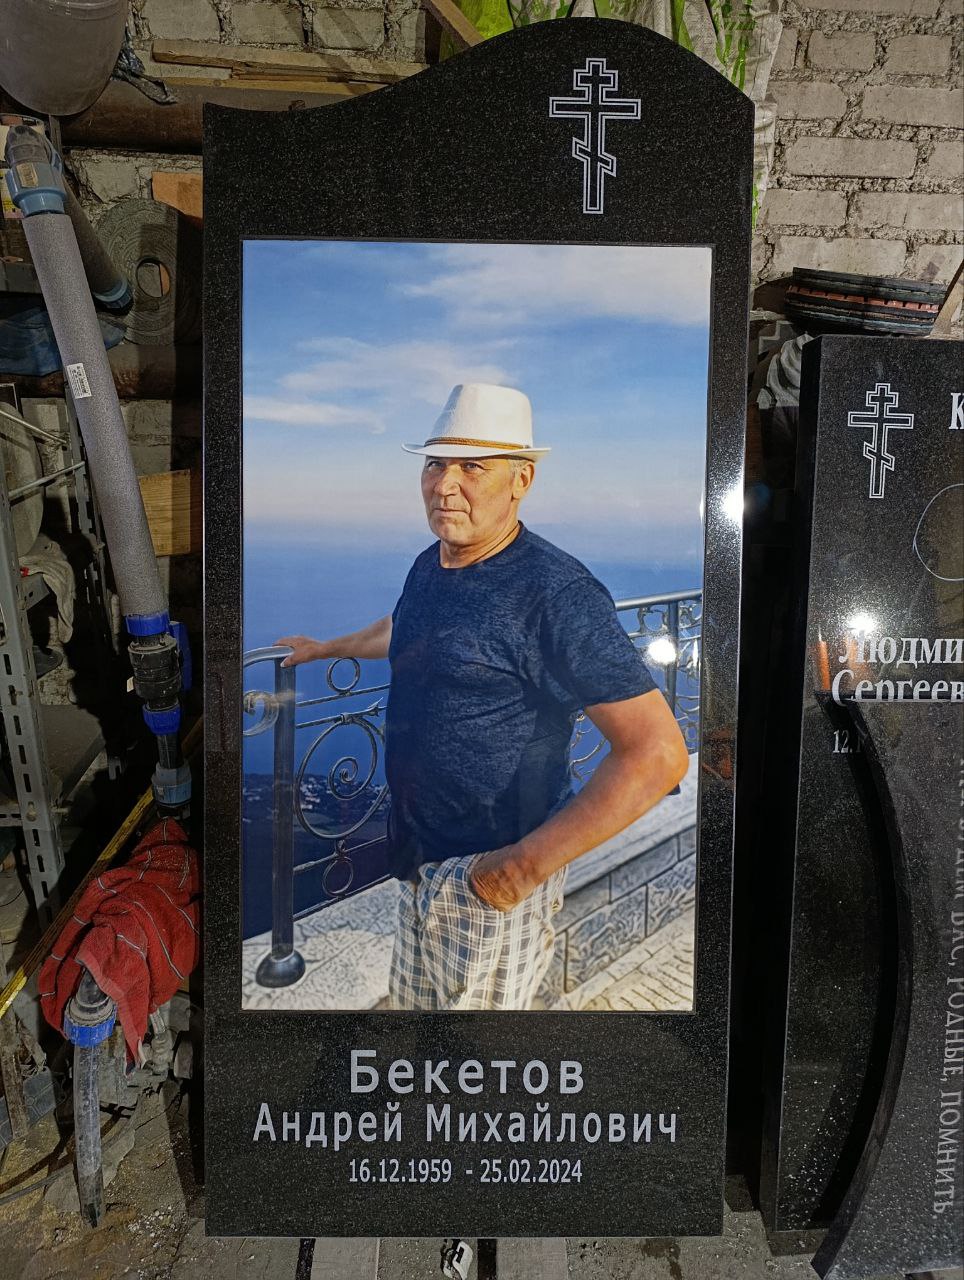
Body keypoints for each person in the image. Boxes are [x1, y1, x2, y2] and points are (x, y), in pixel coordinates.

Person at [276, 383, 688, 1011]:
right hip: (418, 859)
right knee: (418, 1026)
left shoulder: (557, 594)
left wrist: (514, 872)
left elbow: (658, 755)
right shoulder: (431, 564)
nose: (445, 485)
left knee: (479, 1053)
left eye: (472, 467)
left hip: (490, 873)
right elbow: (405, 630)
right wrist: (326, 648)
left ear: (522, 479)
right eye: (435, 464)